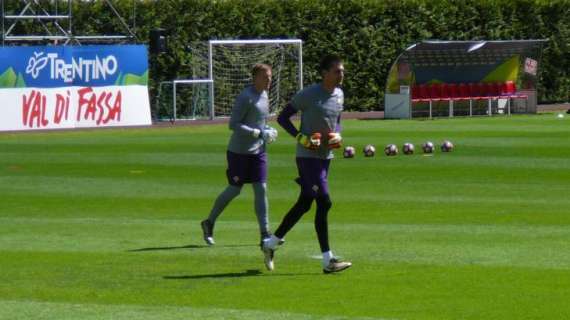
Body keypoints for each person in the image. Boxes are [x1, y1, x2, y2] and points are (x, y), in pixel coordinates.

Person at [262, 54, 352, 274]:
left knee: (305, 204)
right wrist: (301, 138)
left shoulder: (339, 95)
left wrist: (337, 136)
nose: (341, 74)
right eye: (337, 71)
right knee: (325, 202)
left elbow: (337, 121)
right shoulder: (309, 95)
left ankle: (270, 244)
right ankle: (328, 260)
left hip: (325, 158)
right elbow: (283, 118)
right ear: (325, 73)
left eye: (342, 71)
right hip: (307, 158)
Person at [200, 64, 278, 266]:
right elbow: (233, 124)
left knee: (261, 189)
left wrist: (267, 129)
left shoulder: (265, 95)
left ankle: (264, 234)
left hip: (258, 151)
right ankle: (209, 222)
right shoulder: (246, 97)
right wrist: (256, 132)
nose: (269, 80)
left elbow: (259, 121)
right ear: (255, 78)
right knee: (234, 189)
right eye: (265, 77)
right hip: (239, 152)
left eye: (270, 77)